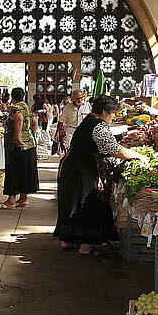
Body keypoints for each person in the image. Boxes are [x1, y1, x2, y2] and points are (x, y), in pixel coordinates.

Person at [53, 95, 147, 256]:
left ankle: (67, 240)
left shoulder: (88, 121)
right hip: (83, 170)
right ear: (104, 112)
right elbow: (114, 150)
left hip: (71, 168)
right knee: (87, 204)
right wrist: (138, 155)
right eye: (112, 113)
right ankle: (85, 247)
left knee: (72, 204)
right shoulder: (99, 126)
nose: (113, 117)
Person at [0, 87, 39, 209]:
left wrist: (17, 137)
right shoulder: (26, 107)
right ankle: (23, 199)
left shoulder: (16, 108)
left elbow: (19, 118)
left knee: (14, 170)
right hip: (29, 145)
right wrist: (30, 135)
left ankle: (11, 201)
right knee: (24, 171)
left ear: (12, 97)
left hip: (18, 145)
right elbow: (34, 122)